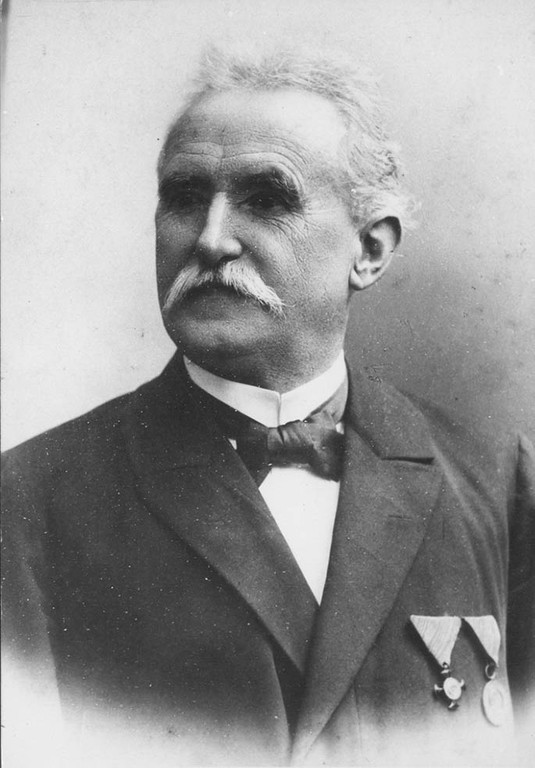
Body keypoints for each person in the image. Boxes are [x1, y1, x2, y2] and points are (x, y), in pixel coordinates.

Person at [2, 46, 534, 767]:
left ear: (369, 250)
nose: (211, 239)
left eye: (266, 199)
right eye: (184, 197)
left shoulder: (497, 485)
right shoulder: (28, 500)